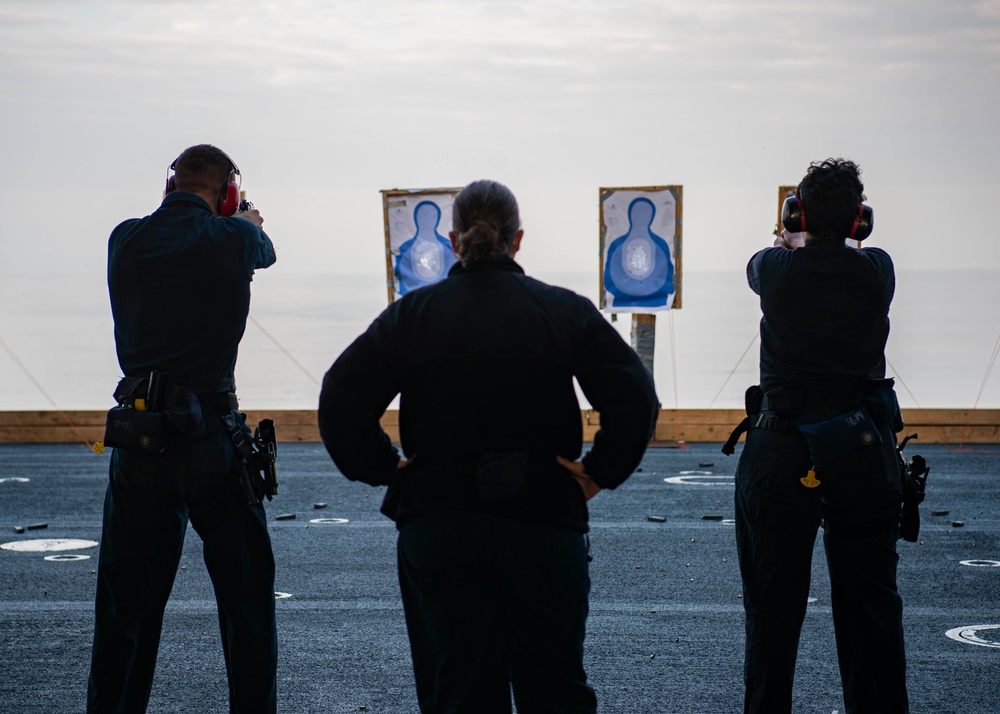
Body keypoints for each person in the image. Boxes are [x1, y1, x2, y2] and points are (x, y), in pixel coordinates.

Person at [318, 179, 659, 714]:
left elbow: (339, 401)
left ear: (454, 240)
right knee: (555, 691)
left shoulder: (412, 316)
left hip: (439, 523)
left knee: (458, 693)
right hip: (544, 521)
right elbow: (636, 398)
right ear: (518, 240)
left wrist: (390, 470)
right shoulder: (562, 311)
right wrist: (597, 473)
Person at [87, 144, 278, 713]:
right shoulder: (237, 238)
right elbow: (262, 248)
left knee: (124, 610)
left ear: (168, 188)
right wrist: (243, 218)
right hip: (212, 443)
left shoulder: (124, 238)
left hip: (139, 437)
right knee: (246, 605)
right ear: (227, 193)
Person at [730, 158, 909, 713]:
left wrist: (791, 235)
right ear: (861, 219)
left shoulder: (776, 269)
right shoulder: (876, 269)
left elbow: (765, 260)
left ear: (797, 213)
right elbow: (848, 258)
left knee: (772, 611)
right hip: (859, 448)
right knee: (871, 610)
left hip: (779, 448)